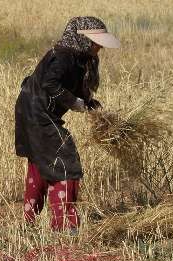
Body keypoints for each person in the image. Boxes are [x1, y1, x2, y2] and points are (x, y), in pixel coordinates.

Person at [14, 16, 120, 232]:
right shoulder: (63, 56)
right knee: (64, 160)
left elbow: (77, 90)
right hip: (36, 112)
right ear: (82, 39)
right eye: (95, 41)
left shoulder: (82, 58)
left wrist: (92, 107)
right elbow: (49, 83)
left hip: (35, 110)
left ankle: (28, 219)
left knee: (41, 161)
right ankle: (65, 225)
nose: (99, 46)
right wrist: (73, 102)